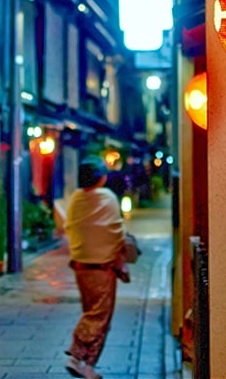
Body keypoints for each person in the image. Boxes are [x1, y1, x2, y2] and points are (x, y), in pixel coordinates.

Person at [64, 155, 130, 379]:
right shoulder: (107, 198)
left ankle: (87, 365)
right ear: (101, 177)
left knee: (92, 312)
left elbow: (73, 227)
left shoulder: (76, 199)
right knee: (98, 316)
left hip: (81, 266)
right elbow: (115, 231)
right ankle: (76, 355)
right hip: (102, 268)